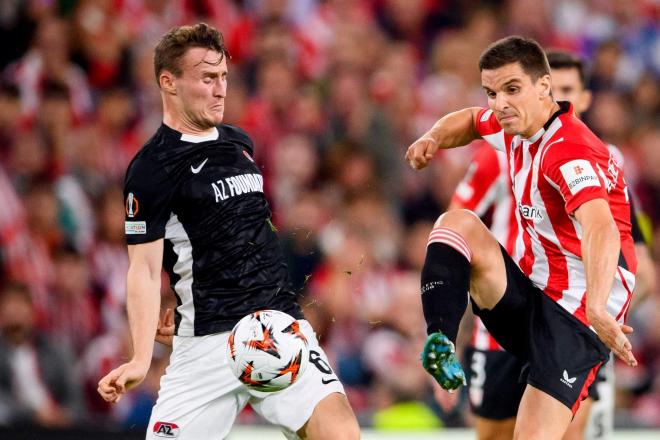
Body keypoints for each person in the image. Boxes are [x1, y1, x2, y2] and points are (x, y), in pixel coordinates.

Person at [96, 23, 359, 440]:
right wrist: (141, 356)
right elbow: (143, 271)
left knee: (341, 435)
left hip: (279, 327)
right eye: (206, 78)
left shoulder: (240, 142)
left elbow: (249, 232)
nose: (220, 89)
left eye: (223, 78)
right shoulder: (151, 169)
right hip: (206, 343)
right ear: (169, 82)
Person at [406, 36, 637, 439]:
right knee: (455, 223)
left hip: (579, 318)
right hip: (535, 294)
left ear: (543, 88)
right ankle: (439, 339)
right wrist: (432, 138)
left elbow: (601, 227)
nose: (499, 103)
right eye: (492, 92)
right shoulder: (516, 124)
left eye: (512, 89)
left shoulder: (567, 150)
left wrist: (599, 308)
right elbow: (468, 120)